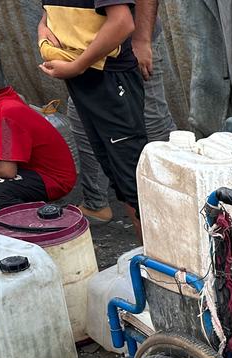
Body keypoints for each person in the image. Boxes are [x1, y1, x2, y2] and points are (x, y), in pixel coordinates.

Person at [38, 0, 147, 233]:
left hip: (110, 79)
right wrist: (43, 33)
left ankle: (164, 263)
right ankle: (149, 260)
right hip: (82, 79)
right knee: (118, 177)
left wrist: (77, 65)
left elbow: (122, 22)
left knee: (135, 184)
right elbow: (49, 14)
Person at [68, 0, 175, 222]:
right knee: (84, 125)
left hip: (126, 51)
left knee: (150, 129)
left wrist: (142, 39)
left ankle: (172, 208)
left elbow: (123, 21)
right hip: (87, 51)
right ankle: (96, 202)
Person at [0, 45, 76, 209]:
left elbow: (7, 171)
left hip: (51, 179)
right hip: (25, 168)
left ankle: (38, 222)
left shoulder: (3, 114)